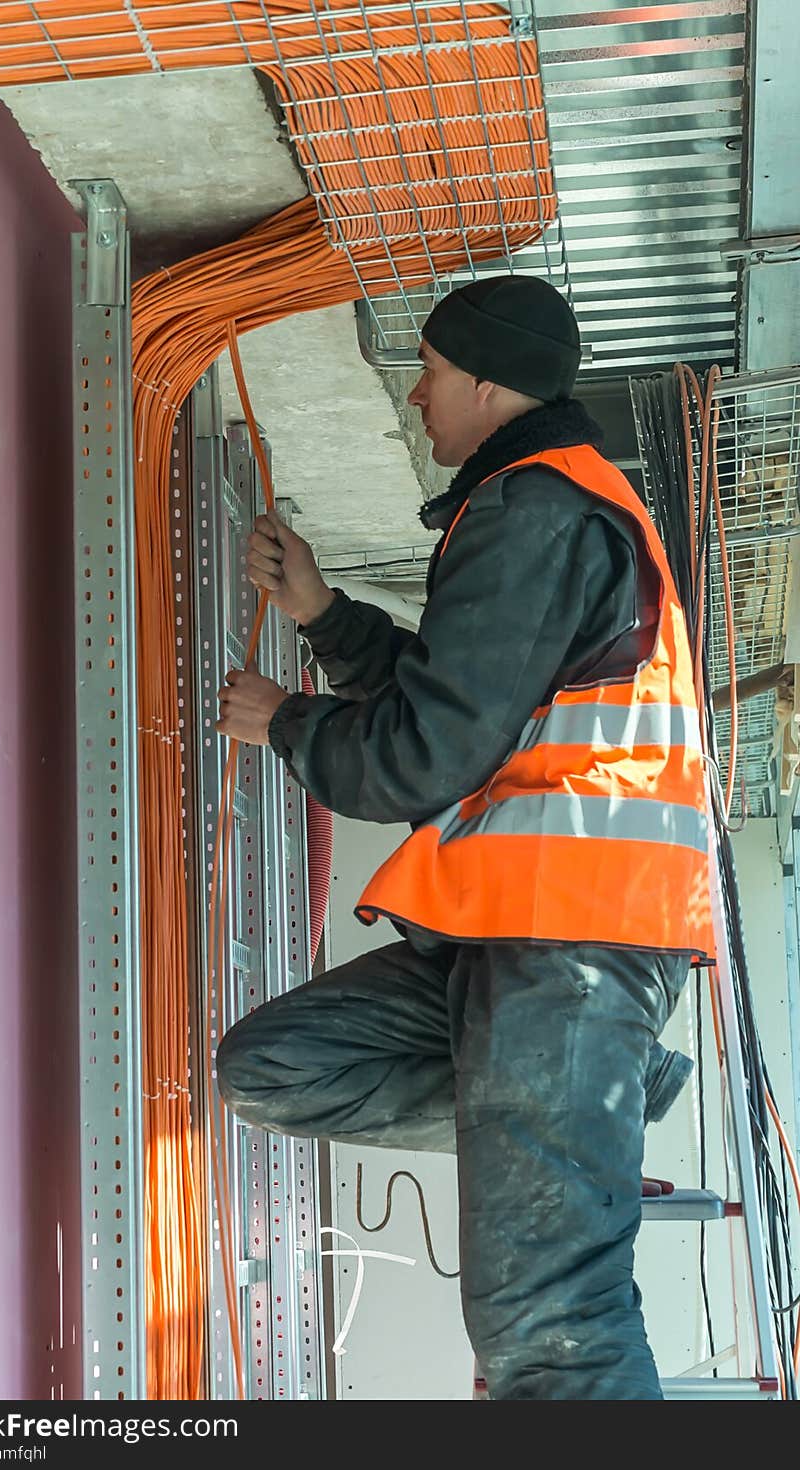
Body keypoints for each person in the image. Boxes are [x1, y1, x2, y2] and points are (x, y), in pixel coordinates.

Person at [215, 275, 714, 1400]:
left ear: (487, 384)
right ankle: (587, 1108)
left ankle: (582, 1108)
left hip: (571, 944)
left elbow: (422, 757)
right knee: (274, 1069)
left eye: (430, 373)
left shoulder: (536, 507)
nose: (414, 398)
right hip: (518, 937)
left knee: (545, 1329)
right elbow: (471, 712)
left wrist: (287, 722)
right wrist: (326, 620)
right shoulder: (537, 504)